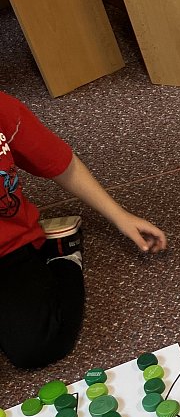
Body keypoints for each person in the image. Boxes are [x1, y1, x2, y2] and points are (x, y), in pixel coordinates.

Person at [0, 91, 167, 369]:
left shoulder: (3, 109)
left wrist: (119, 216)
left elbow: (60, 163)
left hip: (9, 247)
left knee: (38, 346)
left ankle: (63, 252)